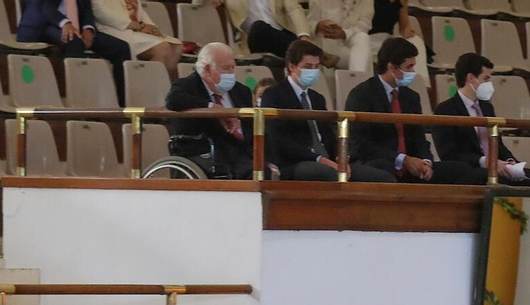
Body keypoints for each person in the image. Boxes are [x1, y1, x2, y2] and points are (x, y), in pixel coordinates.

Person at [345, 38, 487, 185]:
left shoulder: (411, 97)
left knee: (460, 169)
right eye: (409, 67)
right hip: (378, 162)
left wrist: (425, 163)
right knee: (384, 170)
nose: (413, 72)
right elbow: (361, 145)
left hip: (410, 166)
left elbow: (419, 138)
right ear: (391, 67)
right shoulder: (361, 95)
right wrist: (403, 160)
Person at [261, 40, 395, 182]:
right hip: (295, 163)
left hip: (329, 160)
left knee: (384, 177)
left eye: (316, 67)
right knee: (330, 175)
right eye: (308, 67)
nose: (313, 71)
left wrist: (340, 156)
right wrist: (319, 159)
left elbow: (329, 133)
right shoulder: (274, 95)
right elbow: (279, 140)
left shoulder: (317, 98)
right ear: (292, 67)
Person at [432, 54, 530, 187]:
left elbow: (498, 145)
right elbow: (448, 154)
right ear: (471, 78)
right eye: (485, 78)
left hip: (499, 167)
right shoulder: (446, 109)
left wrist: (510, 162)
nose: (489, 84)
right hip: (472, 171)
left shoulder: (487, 107)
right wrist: (487, 162)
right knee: (498, 183)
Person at [165, 43, 255, 179]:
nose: (231, 74)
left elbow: (250, 127)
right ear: (207, 69)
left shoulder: (241, 91)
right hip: (207, 152)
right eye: (226, 68)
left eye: (233, 68)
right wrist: (213, 107)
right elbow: (173, 100)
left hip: (243, 152)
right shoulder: (188, 86)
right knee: (252, 172)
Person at [17, 0, 133, 105]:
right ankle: (78, 102)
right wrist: (66, 23)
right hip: (43, 24)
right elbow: (45, 7)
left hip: (76, 27)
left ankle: (124, 105)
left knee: (121, 48)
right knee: (74, 42)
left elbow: (86, 8)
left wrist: (88, 28)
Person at [90, 0, 181, 79]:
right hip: (114, 29)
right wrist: (134, 25)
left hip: (136, 29)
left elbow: (139, 10)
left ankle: (164, 89)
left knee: (177, 47)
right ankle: (147, 90)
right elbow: (99, 12)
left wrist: (152, 27)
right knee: (162, 48)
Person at [197, 0, 313, 59]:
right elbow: (197, 4)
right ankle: (313, 53)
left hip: (280, 36)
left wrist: (304, 36)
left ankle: (307, 50)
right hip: (253, 41)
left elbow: (294, 9)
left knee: (300, 44)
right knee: (259, 27)